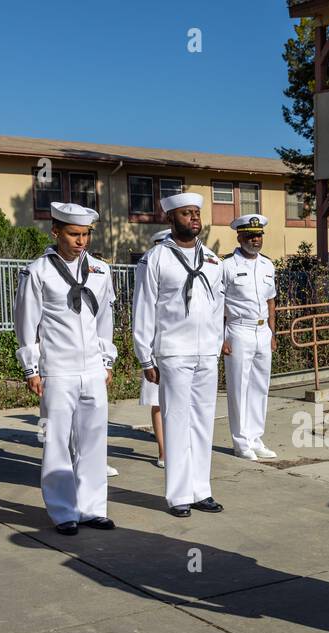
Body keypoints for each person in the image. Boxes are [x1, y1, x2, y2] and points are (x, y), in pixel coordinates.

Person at [12, 203, 118, 535]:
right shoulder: (38, 271)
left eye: (85, 234)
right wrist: (31, 369)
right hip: (57, 368)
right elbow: (26, 321)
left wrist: (106, 361)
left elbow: (104, 320)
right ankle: (63, 512)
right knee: (56, 440)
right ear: (56, 231)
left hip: (91, 369)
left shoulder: (100, 270)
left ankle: (92, 508)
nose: (81, 241)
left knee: (93, 439)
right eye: (74, 234)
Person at [131, 192, 225, 517]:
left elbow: (217, 309)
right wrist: (146, 356)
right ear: (171, 218)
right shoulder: (155, 258)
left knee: (203, 421)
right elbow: (143, 308)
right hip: (172, 352)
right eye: (186, 214)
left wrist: (216, 346)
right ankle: (179, 494)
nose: (194, 219)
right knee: (176, 420)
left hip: (205, 355)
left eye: (197, 213)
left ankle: (202, 489)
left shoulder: (213, 260)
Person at [221, 213, 278, 460]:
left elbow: (271, 301)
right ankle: (241, 441)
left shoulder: (268, 265)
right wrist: (220, 337)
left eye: (259, 235)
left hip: (262, 331)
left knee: (260, 386)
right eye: (251, 235)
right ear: (240, 236)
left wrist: (273, 332)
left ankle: (255, 438)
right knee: (238, 388)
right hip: (238, 330)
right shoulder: (226, 266)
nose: (256, 240)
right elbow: (217, 303)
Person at [135, 228, 171, 471]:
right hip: (155, 343)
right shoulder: (147, 265)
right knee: (158, 402)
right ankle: (163, 450)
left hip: (177, 345)